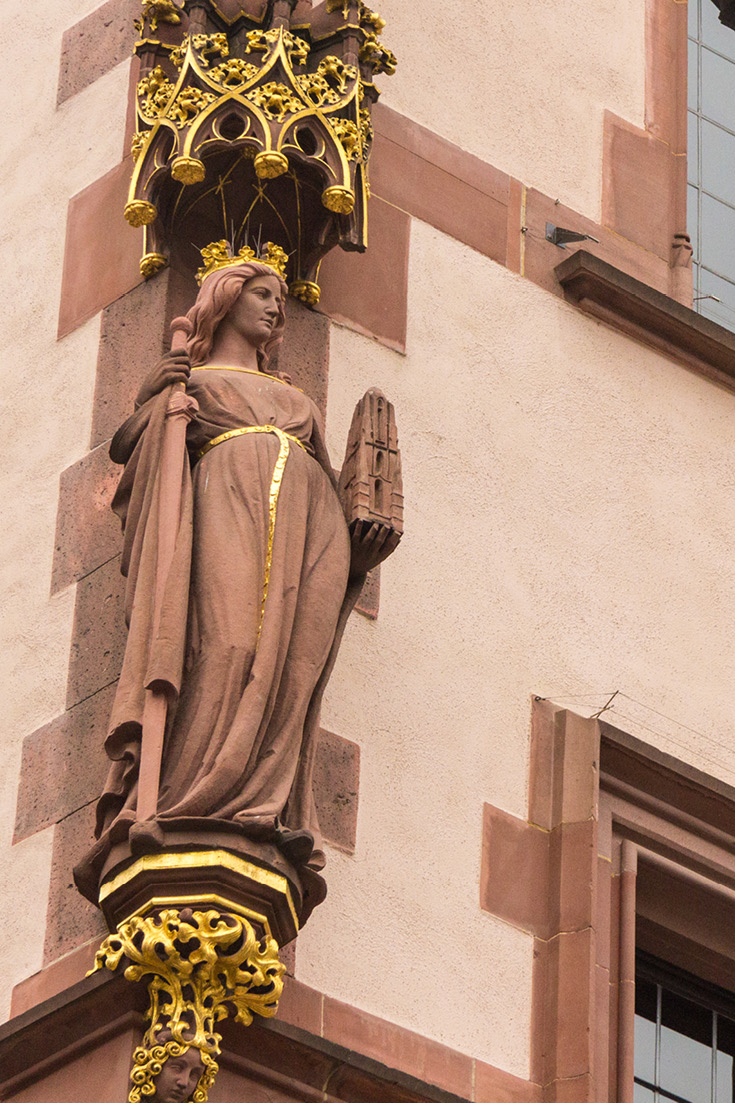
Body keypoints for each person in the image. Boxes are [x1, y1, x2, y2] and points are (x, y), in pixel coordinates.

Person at [75, 250, 361, 902]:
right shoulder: (194, 383)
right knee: (229, 646)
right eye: (262, 294)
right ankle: (184, 795)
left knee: (293, 667)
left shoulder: (297, 402)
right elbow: (134, 451)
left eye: (281, 301)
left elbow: (342, 497)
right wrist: (156, 397)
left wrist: (363, 540)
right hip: (227, 510)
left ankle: (265, 806)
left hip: (313, 530)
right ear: (226, 298)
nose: (274, 308)